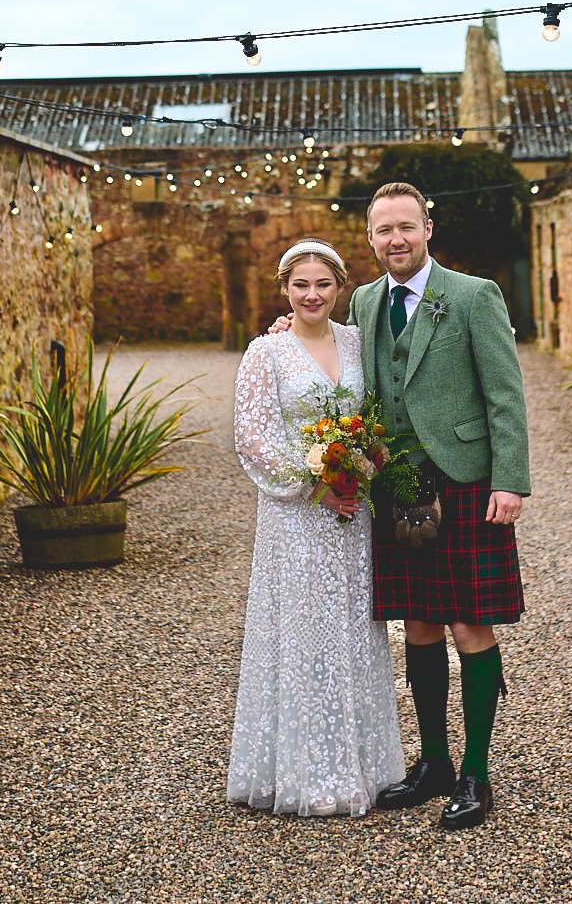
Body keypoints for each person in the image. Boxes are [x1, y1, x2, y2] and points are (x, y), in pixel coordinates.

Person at [280, 182, 531, 828]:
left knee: (470, 623)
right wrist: (290, 327)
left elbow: (505, 394)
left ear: (427, 227)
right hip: (395, 483)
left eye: (406, 227)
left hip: (468, 478)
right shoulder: (363, 299)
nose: (396, 239)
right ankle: (435, 762)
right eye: (383, 230)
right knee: (417, 622)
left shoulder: (474, 294)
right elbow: (330, 349)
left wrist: (511, 480)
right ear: (369, 238)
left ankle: (476, 770)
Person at [226, 240, 405, 817]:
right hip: (298, 515)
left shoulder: (355, 340)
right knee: (304, 630)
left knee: (354, 627)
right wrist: (315, 486)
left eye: (322, 285)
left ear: (339, 288)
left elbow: (378, 410)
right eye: (300, 285)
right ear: (285, 290)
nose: (311, 295)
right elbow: (253, 435)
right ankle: (307, 773)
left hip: (355, 519)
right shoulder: (266, 352)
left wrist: (363, 464)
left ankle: (367, 765)